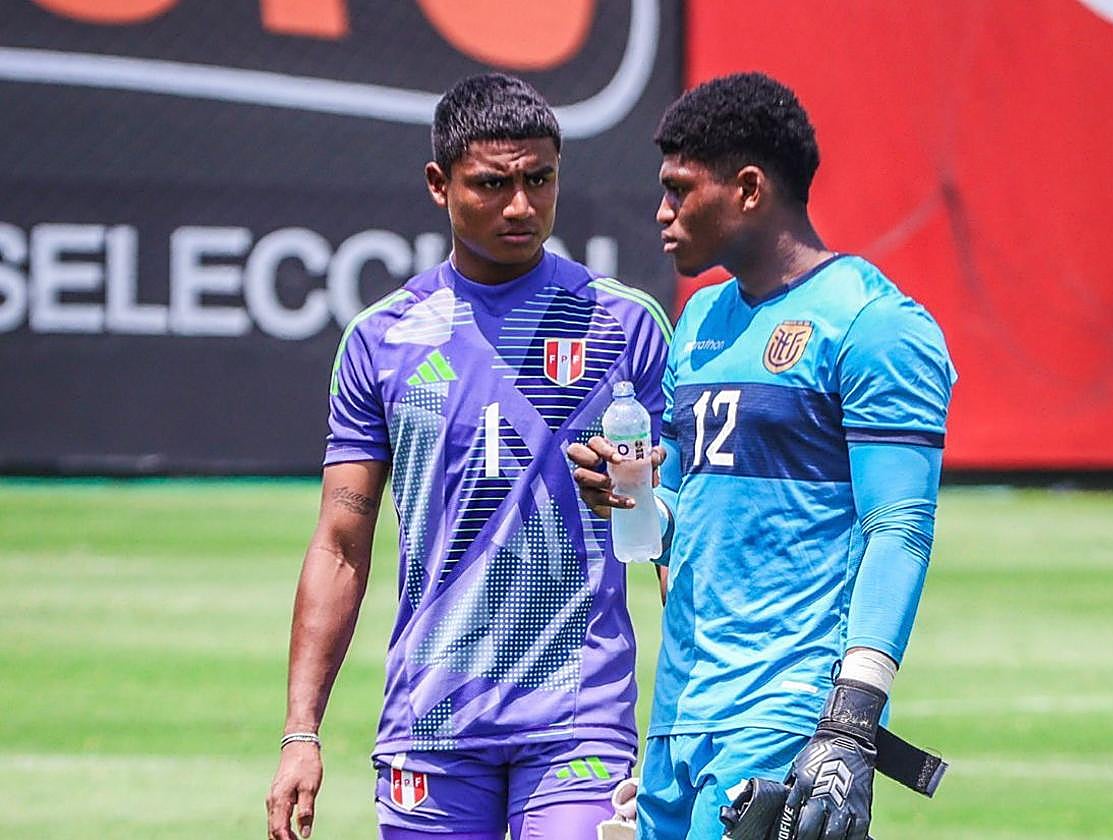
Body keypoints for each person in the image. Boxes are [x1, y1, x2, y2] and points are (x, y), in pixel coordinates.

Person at [265, 72, 671, 840]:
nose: (521, 205)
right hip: (430, 721)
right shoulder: (382, 339)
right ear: (438, 184)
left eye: (539, 179)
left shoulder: (626, 325)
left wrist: (689, 718)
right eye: (492, 184)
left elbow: (676, 538)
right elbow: (341, 545)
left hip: (579, 719)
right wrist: (300, 734)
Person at [569, 72, 956, 840]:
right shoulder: (700, 319)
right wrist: (628, 495)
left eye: (680, 190)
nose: (662, 212)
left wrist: (849, 723)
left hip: (786, 716)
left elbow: (899, 531)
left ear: (748, 189)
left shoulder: (875, 326)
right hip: (680, 715)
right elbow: (678, 514)